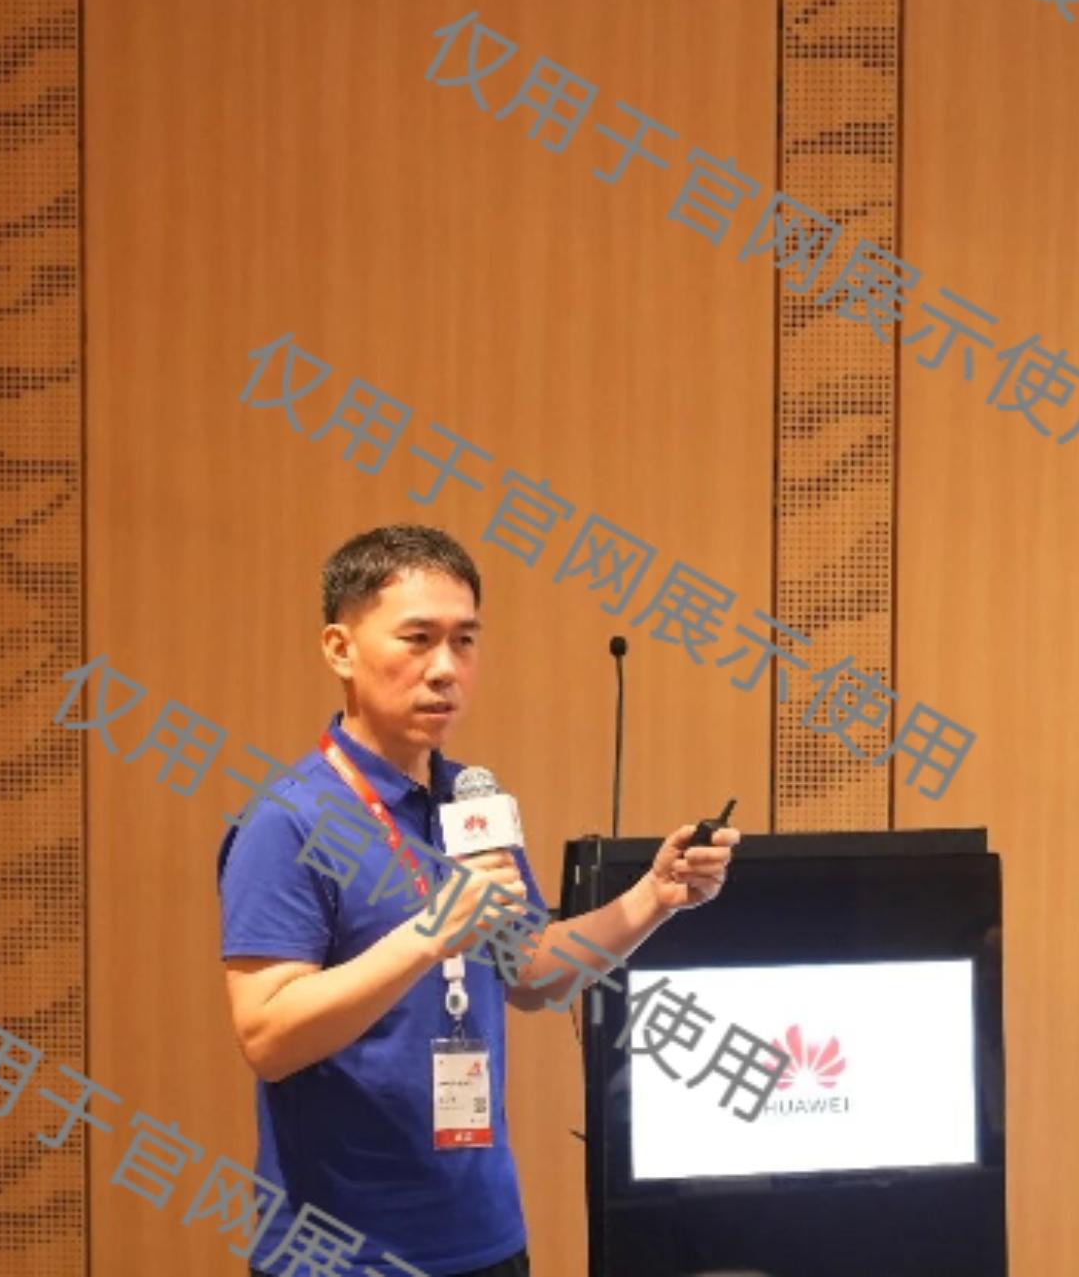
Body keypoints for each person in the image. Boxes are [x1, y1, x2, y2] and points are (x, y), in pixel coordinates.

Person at [217, 523, 738, 1277]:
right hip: (342, 1253)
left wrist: (653, 897)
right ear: (340, 648)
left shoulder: (471, 800)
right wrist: (431, 934)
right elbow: (267, 1037)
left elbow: (530, 972)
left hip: (484, 1236)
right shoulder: (289, 819)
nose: (445, 669)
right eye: (417, 639)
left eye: (464, 642)